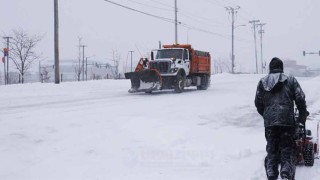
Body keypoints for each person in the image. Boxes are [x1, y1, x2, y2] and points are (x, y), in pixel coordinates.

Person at [255, 57, 309, 180]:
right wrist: (302, 115)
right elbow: (300, 98)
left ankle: (272, 174)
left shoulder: (262, 82)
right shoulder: (290, 80)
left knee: (272, 150)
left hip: (270, 124)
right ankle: (286, 173)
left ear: (270, 68)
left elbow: (258, 102)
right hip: (287, 122)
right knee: (288, 149)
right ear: (281, 68)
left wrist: (267, 114)